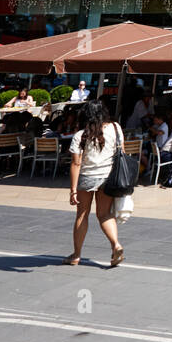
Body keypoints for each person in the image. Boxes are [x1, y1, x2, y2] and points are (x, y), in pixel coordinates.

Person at [64, 102, 125, 268]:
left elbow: (76, 164)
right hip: (108, 178)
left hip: (87, 177)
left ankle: (76, 255)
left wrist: (73, 190)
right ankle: (116, 245)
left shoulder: (81, 135)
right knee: (105, 214)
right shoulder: (116, 128)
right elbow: (122, 153)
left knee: (82, 215)